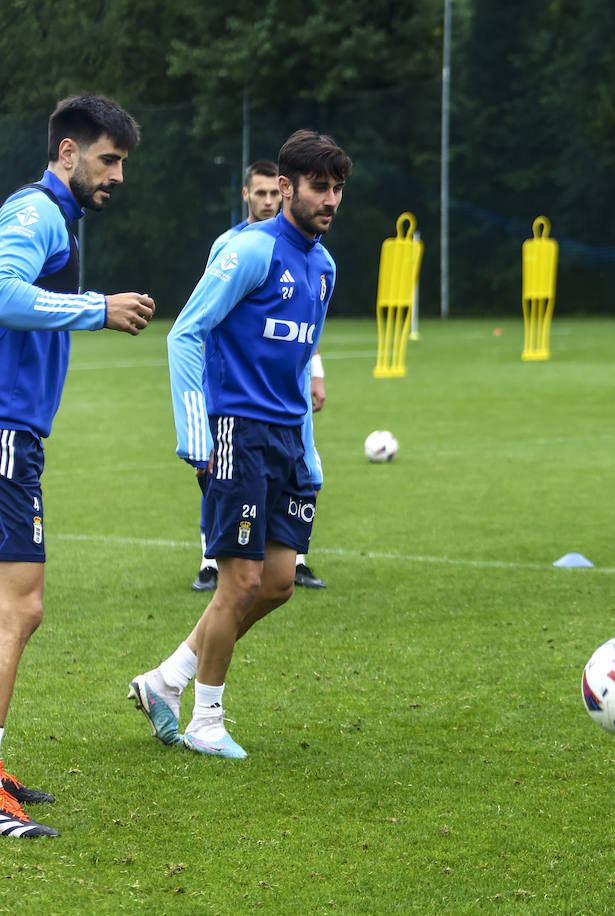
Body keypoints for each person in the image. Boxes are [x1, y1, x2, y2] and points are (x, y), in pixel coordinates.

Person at [128, 129, 350, 758]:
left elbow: (300, 363)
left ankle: (165, 681)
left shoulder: (325, 267)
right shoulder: (250, 251)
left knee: (278, 582)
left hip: (287, 439)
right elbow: (186, 334)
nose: (331, 199)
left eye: (338, 189)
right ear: (286, 188)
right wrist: (195, 432)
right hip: (236, 432)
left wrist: (308, 451)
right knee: (240, 583)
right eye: (319, 187)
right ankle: (205, 719)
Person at [0, 95, 152, 836]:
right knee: (19, 608)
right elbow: (0, 292)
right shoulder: (37, 215)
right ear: (67, 152)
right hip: (4, 430)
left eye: (122, 162)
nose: (117, 175)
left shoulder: (52, 218)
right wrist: (96, 307)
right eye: (108, 159)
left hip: (14, 430)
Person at [192, 161, 327, 592]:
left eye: (274, 193)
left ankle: (295, 560)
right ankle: (209, 561)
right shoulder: (234, 246)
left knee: (304, 481)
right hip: (237, 404)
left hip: (285, 405)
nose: (269, 201)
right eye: (261, 193)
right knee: (224, 487)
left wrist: (316, 374)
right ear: (246, 195)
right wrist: (201, 418)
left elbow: (300, 328)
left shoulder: (315, 257)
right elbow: (207, 323)